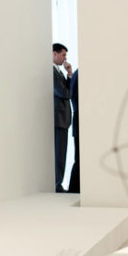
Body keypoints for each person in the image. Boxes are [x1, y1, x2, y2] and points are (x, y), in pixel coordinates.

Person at [53, 43, 72, 193]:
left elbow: (67, 90)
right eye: (63, 55)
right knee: (59, 154)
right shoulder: (51, 72)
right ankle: (57, 184)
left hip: (63, 120)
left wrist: (69, 74)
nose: (65, 58)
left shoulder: (58, 71)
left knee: (62, 153)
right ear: (55, 54)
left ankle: (59, 183)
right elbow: (65, 93)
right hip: (58, 120)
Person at [68, 69, 80, 193]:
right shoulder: (79, 74)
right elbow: (75, 99)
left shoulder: (77, 74)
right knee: (80, 159)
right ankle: (73, 190)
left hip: (81, 122)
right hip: (80, 123)